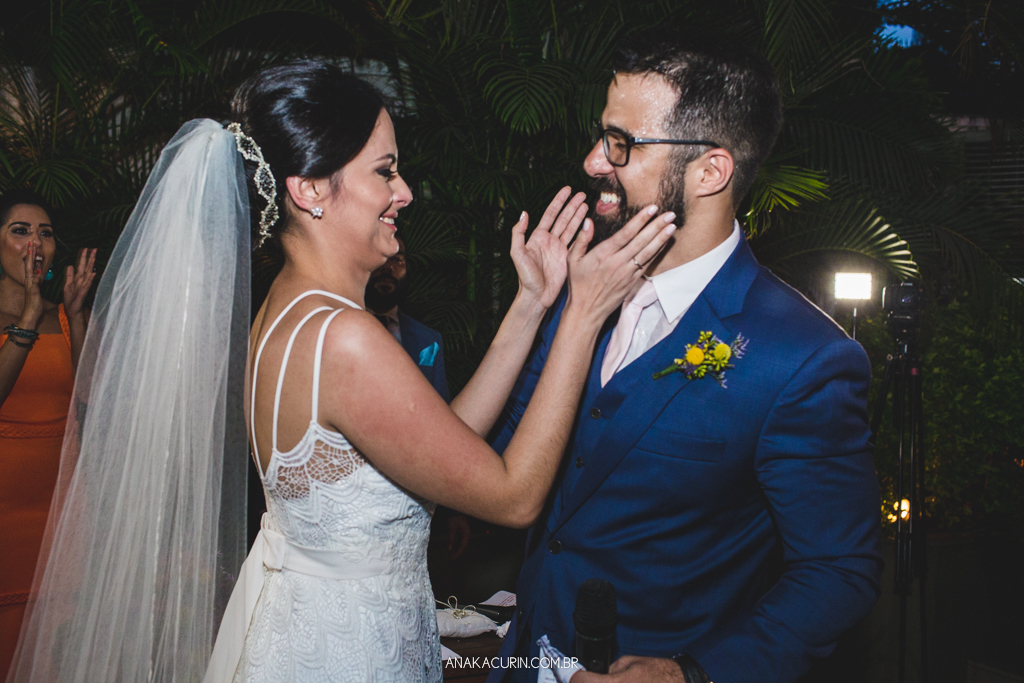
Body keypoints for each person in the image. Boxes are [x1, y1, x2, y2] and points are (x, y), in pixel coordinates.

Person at [7, 60, 677, 683]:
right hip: (345, 650)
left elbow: (434, 441)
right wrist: (583, 314)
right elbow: (512, 494)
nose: (404, 192)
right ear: (308, 190)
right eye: (385, 171)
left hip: (304, 622)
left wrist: (531, 305)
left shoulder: (287, 311)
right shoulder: (345, 338)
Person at [487, 30, 883, 683]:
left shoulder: (803, 359)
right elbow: (505, 457)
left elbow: (838, 570)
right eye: (601, 135)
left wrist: (689, 673)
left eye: (621, 143)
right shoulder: (580, 290)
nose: (592, 161)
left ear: (710, 171)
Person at [0, 190, 95, 677]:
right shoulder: (28, 319)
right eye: (20, 230)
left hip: (59, 515)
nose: (35, 242)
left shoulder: (65, 314)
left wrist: (75, 316)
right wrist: (25, 322)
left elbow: (91, 397)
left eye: (45, 233)